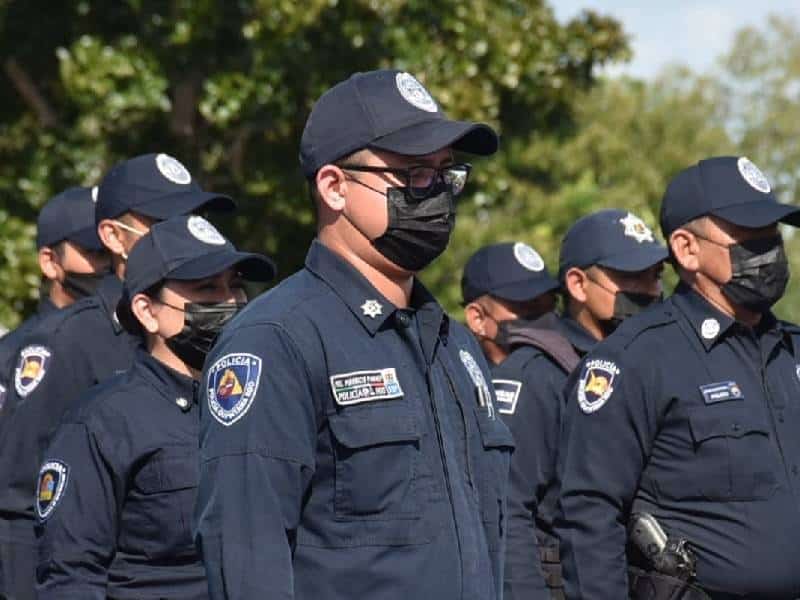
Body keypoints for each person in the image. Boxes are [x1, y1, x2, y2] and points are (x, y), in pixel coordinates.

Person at [195, 69, 513, 600]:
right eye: (412, 175)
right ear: (335, 187)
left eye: (445, 174)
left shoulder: (455, 346)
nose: (434, 193)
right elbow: (248, 557)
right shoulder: (276, 341)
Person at [556, 156, 800, 599]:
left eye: (773, 235)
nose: (768, 250)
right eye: (749, 237)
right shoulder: (635, 360)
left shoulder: (792, 349)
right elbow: (588, 517)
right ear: (687, 249)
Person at [0, 153, 234, 600]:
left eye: (195, 217)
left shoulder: (220, 334)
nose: (185, 231)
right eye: (164, 221)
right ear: (112, 236)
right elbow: (18, 506)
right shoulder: (66, 343)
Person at [34, 215, 275, 600]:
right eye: (207, 289)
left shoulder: (268, 402)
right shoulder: (103, 423)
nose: (230, 301)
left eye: (235, 286)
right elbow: (70, 575)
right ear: (147, 311)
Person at [462, 219, 666, 600]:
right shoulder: (539, 373)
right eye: (632, 277)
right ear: (578, 285)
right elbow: (508, 511)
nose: (651, 291)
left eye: (655, 275)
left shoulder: (654, 361)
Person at [0, 186, 109, 412]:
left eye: (112, 253)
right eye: (96, 253)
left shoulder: (137, 339)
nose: (108, 264)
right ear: (50, 262)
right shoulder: (14, 356)